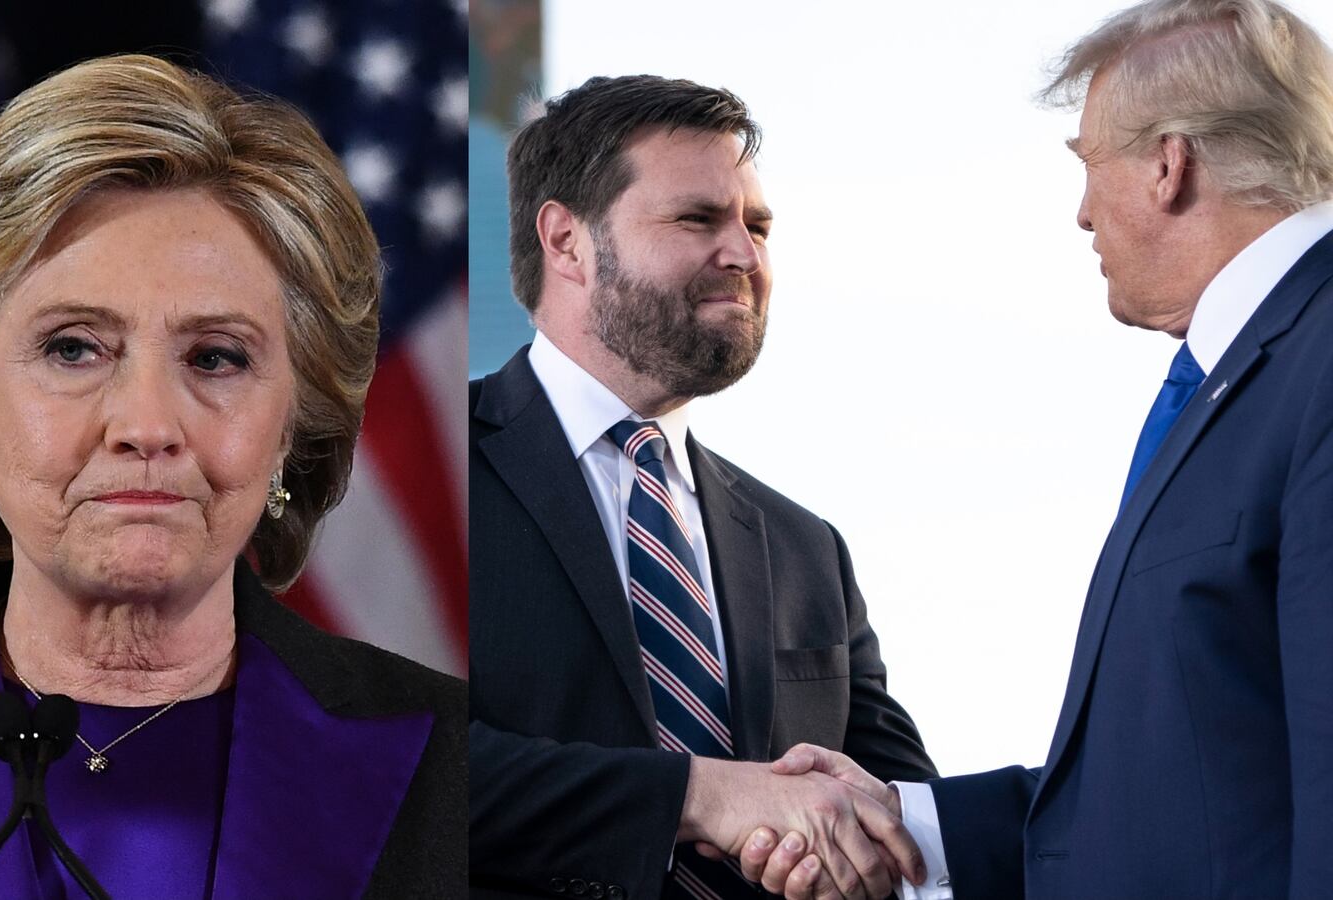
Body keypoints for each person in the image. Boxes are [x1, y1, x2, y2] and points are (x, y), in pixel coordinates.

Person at [0, 54, 464, 897]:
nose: (147, 426)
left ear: (293, 426)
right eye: (73, 349)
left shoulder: (454, 764)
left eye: (217, 357)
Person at [736, 0, 1333, 896]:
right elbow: (1177, 787)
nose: (1084, 215)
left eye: (1090, 165)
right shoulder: (1250, 369)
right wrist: (901, 829)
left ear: (1169, 165)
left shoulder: (1318, 357)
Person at [469, 74, 936, 900]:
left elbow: (901, 813)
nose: (744, 256)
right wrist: (703, 795)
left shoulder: (806, 551)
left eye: (757, 226)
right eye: (698, 219)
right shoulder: (431, 472)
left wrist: (850, 839)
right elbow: (380, 752)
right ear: (566, 240)